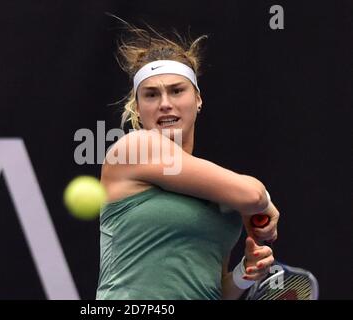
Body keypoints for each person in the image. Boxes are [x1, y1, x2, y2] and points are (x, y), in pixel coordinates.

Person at [96, 20, 280, 300]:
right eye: (151, 95)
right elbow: (252, 195)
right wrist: (264, 201)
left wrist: (245, 273)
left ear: (198, 99)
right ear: (138, 108)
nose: (165, 103)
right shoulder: (134, 148)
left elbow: (215, 290)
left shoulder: (222, 199)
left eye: (176, 90)